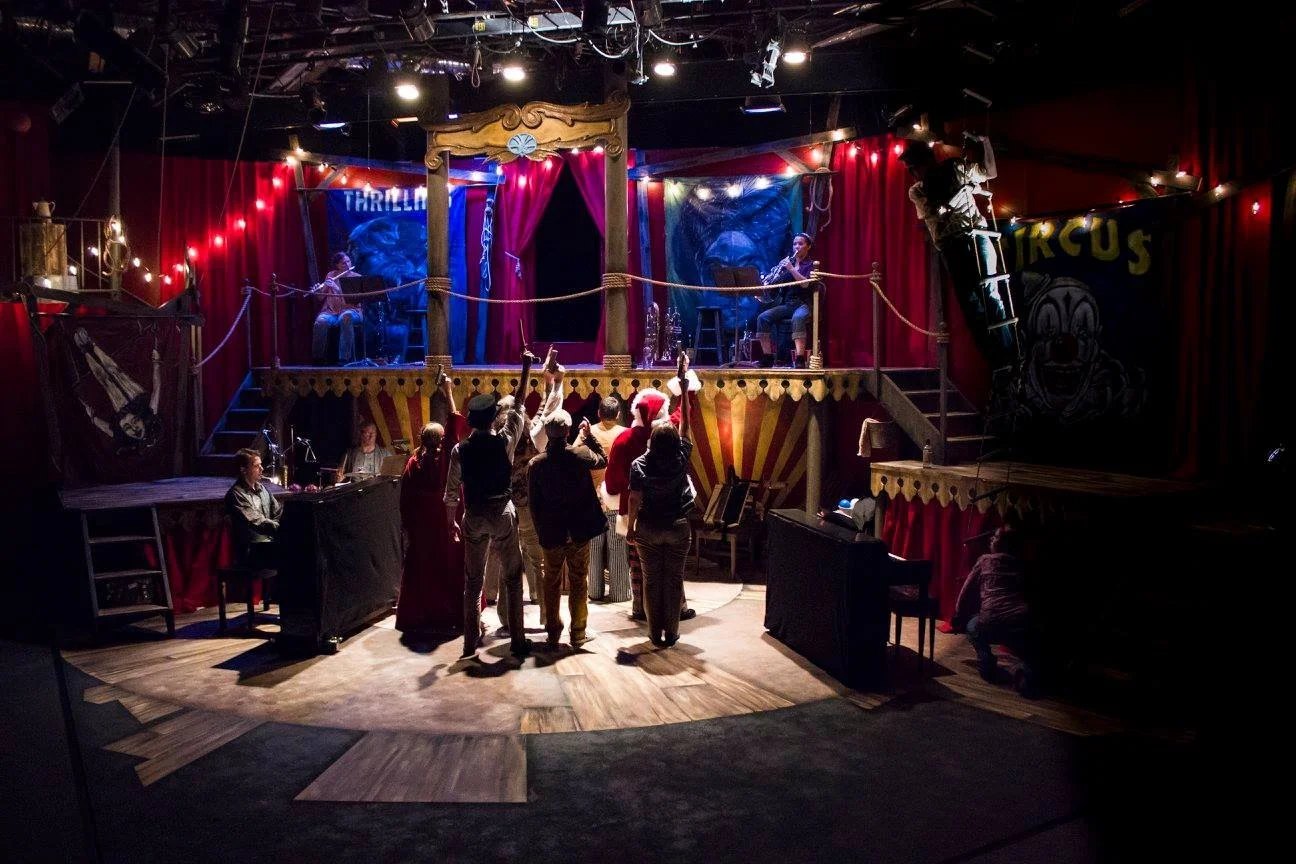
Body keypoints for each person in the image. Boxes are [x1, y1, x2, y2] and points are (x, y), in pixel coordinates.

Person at [444, 347, 538, 659]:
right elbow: (519, 407)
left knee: (473, 583)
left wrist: (450, 522)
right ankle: (518, 640)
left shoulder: (460, 450)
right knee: (513, 577)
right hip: (501, 511)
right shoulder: (505, 441)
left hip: (474, 514)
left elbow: (451, 492)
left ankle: (470, 643)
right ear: (492, 419)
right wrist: (525, 369)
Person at [900, 136, 1017, 377]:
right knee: (971, 303)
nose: (913, 174)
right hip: (952, 245)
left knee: (990, 293)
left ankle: (1009, 353)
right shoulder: (918, 190)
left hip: (976, 236)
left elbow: (989, 172)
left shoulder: (954, 168)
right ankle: (993, 358)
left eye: (914, 168)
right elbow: (936, 213)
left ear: (925, 163)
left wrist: (986, 142)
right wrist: (965, 191)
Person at [604, 364, 697, 623]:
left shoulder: (623, 440)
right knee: (672, 568)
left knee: (639, 564)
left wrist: (624, 513)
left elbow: (614, 482)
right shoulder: (671, 442)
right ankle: (677, 608)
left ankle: (639, 607)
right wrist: (684, 386)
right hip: (671, 514)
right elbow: (684, 417)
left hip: (638, 515)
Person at [626, 359, 697, 648]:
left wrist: (630, 527)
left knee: (653, 580)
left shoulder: (639, 464)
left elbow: (634, 498)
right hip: (678, 526)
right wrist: (683, 387)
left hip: (649, 528)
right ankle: (672, 632)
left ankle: (654, 633)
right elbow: (686, 429)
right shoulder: (681, 458)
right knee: (674, 579)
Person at [396, 374, 469, 637]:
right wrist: (448, 392)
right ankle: (451, 614)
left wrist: (407, 527)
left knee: (423, 568)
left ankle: (421, 615)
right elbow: (455, 423)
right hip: (446, 521)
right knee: (449, 567)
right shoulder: (447, 457)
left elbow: (405, 499)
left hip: (422, 525)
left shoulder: (414, 463)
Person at [528, 411, 609, 648]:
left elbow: (534, 504)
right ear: (567, 432)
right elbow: (603, 459)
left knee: (550, 582)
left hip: (551, 533)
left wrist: (541, 531)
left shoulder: (537, 464)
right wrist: (589, 436)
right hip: (578, 531)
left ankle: (553, 632)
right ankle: (578, 632)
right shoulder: (581, 454)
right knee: (578, 581)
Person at [951, 525, 1038, 696]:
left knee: (972, 627)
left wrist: (959, 614)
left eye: (996, 537)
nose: (991, 539)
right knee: (1028, 649)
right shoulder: (1022, 564)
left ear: (1005, 544)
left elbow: (966, 591)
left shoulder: (985, 561)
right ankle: (1027, 676)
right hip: (1020, 620)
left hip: (990, 620)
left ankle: (986, 663)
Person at [587, 397, 629, 602]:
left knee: (594, 548)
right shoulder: (625, 434)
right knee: (618, 546)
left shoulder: (587, 434)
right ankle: (620, 592)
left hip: (593, 498)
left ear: (599, 414)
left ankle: (594, 591)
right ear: (618, 414)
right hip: (617, 498)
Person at [756, 232, 818, 369]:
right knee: (762, 318)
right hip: (787, 304)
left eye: (800, 244)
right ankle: (767, 357)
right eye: (795, 243)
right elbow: (775, 286)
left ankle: (800, 358)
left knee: (798, 318)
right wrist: (762, 291)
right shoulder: (787, 265)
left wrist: (791, 268)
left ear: (808, 247)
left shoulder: (811, 265)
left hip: (803, 304)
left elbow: (805, 284)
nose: (797, 246)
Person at [223, 448, 282, 570]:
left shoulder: (263, 489)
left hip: (268, 545)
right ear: (243, 469)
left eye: (261, 465)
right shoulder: (236, 494)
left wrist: (285, 525)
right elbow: (257, 522)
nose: (262, 469)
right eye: (257, 466)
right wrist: (283, 529)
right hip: (251, 550)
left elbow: (278, 512)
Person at [310, 252, 363, 364]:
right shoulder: (331, 275)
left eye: (348, 261)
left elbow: (353, 301)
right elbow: (320, 298)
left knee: (345, 317)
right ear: (337, 265)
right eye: (344, 263)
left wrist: (337, 289)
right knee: (320, 322)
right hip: (331, 312)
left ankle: (345, 358)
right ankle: (317, 358)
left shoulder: (357, 277)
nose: (348, 265)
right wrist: (317, 290)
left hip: (352, 310)